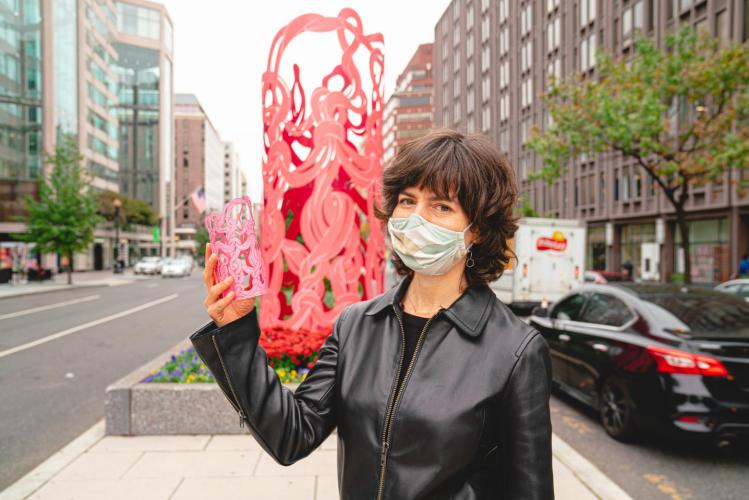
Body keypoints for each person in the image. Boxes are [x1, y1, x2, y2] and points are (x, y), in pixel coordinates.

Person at [191, 129, 554, 499]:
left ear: (476, 229)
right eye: (408, 201)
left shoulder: (514, 350)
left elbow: (531, 489)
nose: (416, 219)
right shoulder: (356, 326)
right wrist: (235, 331)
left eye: (441, 206)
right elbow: (290, 436)